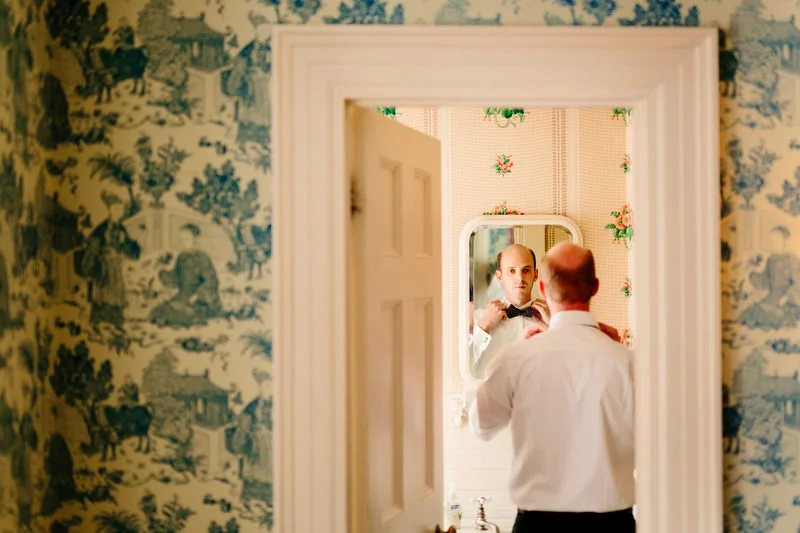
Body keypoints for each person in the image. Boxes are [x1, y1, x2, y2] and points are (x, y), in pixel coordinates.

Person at [467, 242, 635, 533]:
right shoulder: (629, 363)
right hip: (612, 524)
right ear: (595, 287)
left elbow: (480, 426)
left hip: (538, 524)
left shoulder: (516, 358)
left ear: (542, 287)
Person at [471, 243, 618, 378]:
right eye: (512, 271)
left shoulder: (551, 320)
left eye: (526, 270)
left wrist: (555, 326)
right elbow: (463, 370)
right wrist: (483, 327)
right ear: (499, 276)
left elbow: (578, 369)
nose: (520, 278)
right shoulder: (479, 318)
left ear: (535, 275)